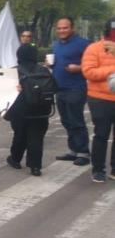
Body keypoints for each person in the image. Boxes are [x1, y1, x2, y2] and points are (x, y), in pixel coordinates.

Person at [4, 44, 52, 176]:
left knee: (20, 135)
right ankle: (35, 166)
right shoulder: (44, 71)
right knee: (37, 137)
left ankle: (15, 159)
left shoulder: (13, 71)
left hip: (20, 110)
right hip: (42, 110)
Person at [50, 17, 91, 166]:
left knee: (76, 120)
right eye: (59, 28)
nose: (62, 31)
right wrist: (50, 64)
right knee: (66, 121)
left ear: (72, 28)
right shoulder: (56, 45)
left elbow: (92, 64)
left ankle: (83, 152)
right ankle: (73, 150)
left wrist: (79, 68)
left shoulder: (83, 44)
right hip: (60, 88)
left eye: (65, 28)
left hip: (76, 88)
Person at [79, 35, 115, 183]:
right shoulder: (94, 48)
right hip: (100, 99)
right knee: (101, 134)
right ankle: (98, 169)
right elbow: (89, 72)